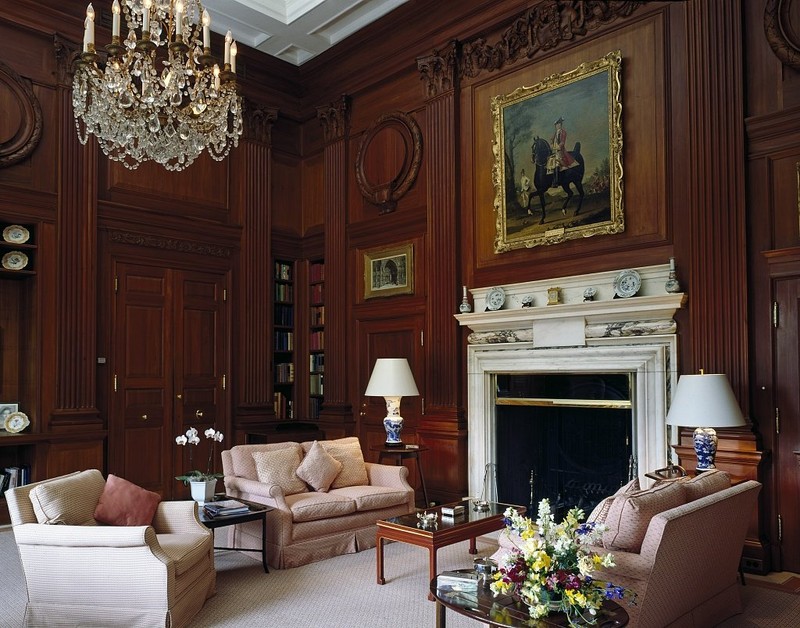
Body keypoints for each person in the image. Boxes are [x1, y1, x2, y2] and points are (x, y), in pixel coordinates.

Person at [550, 117, 575, 183]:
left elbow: (562, 142)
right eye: (556, 125)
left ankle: (566, 171)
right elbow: (552, 140)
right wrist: (552, 144)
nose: (557, 126)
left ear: (561, 125)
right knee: (550, 162)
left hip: (561, 150)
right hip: (555, 150)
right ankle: (554, 179)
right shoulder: (555, 133)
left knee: (558, 160)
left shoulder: (563, 132)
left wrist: (557, 147)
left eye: (559, 125)